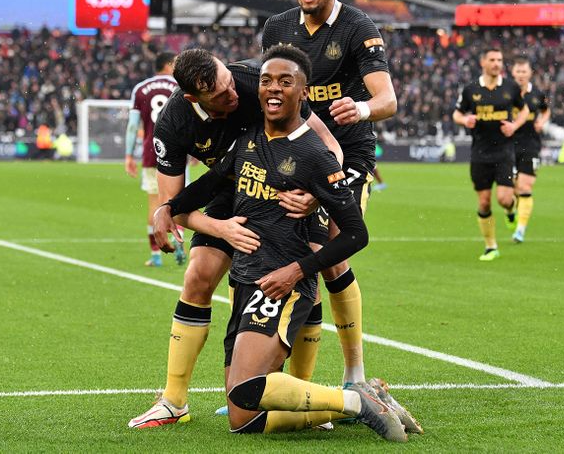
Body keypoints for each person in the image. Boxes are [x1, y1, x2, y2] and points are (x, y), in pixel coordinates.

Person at [160, 45, 414, 441]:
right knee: (241, 417)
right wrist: (168, 208)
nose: (273, 89)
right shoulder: (247, 140)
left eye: (285, 82)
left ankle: (355, 401)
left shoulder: (313, 154)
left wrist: (297, 269)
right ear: (256, 90)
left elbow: (356, 234)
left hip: (282, 280)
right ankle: (350, 407)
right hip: (247, 279)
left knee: (245, 391)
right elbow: (208, 186)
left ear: (304, 92)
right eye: (266, 82)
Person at [127, 49, 342, 429]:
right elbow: (174, 207)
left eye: (230, 82)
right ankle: (174, 400)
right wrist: (220, 229)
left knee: (307, 272)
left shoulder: (257, 83)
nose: (234, 95)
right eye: (222, 95)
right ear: (195, 98)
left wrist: (316, 195)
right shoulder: (174, 123)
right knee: (198, 275)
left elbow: (329, 147)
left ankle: (302, 391)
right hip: (230, 190)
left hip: (291, 191)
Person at [260, 0, 398, 388]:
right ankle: (286, 382)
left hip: (348, 158)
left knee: (331, 259)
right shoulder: (277, 28)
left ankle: (354, 374)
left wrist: (358, 110)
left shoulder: (358, 27)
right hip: (292, 158)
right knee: (289, 258)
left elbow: (387, 100)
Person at [453, 48, 528, 261]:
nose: (497, 63)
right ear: (483, 62)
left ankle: (510, 209)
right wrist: (464, 120)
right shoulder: (471, 90)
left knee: (504, 199)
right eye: (493, 60)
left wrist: (514, 127)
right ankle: (490, 246)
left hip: (504, 151)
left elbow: (524, 111)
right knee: (484, 202)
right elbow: (457, 113)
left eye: (500, 60)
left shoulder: (511, 88)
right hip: (479, 153)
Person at [125, 52, 183, 267]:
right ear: (168, 65)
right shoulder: (179, 86)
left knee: (154, 203)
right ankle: (179, 242)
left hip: (152, 152)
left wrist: (129, 155)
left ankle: (156, 254)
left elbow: (132, 126)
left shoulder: (140, 89)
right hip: (177, 152)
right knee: (177, 202)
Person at [510, 57, 550, 243]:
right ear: (513, 73)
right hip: (507, 145)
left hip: (530, 144)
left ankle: (520, 230)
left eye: (524, 71)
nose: (521, 75)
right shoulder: (505, 92)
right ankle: (510, 211)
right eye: (518, 71)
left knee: (525, 187)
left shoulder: (537, 94)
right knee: (510, 190)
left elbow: (546, 110)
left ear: (530, 73)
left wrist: (542, 121)